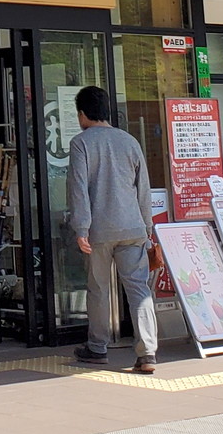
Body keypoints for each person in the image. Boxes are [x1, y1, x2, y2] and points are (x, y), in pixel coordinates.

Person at [65, 84, 159, 374]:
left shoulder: (81, 143)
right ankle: (148, 353)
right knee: (138, 289)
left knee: (98, 288)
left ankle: (97, 347)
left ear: (82, 114)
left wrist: (80, 227)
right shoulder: (130, 141)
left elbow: (78, 189)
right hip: (133, 227)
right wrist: (147, 225)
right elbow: (143, 188)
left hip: (99, 230)